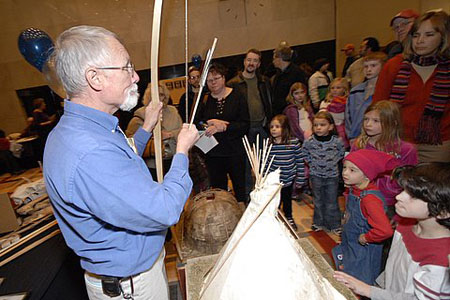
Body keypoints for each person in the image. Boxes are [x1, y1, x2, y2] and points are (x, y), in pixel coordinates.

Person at [43, 25, 199, 300]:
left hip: (133, 277)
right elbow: (164, 209)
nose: (136, 76)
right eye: (126, 68)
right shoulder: (90, 150)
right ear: (95, 78)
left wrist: (146, 128)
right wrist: (182, 151)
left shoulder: (85, 129)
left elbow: (120, 167)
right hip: (132, 287)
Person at [334, 162, 450, 299]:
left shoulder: (441, 263)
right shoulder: (405, 225)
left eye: (413, 196)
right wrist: (380, 286)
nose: (399, 197)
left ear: (443, 211)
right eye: (403, 190)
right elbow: (394, 265)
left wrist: (368, 290)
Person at [373, 10, 450, 163]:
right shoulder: (394, 65)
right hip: (396, 142)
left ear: (443, 37)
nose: (420, 40)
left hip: (438, 146)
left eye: (429, 35)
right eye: (416, 35)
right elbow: (378, 107)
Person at [333, 149, 396, 285]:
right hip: (351, 244)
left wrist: (366, 237)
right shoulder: (354, 189)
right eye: (344, 167)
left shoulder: (369, 200)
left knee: (361, 281)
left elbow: (385, 230)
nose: (345, 173)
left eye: (352, 170)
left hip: (363, 251)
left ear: (367, 175)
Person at [351, 101, 418, 219]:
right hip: (360, 200)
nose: (368, 124)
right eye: (366, 119)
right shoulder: (359, 145)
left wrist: (399, 217)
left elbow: (410, 183)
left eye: (376, 121)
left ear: (393, 123)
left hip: (391, 205)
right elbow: (350, 175)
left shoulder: (406, 150)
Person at [195, 63, 249, 202]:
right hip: (213, 152)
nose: (213, 83)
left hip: (235, 151)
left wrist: (224, 126)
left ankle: (244, 216)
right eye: (209, 81)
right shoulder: (205, 99)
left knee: (240, 187)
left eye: (216, 78)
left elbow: (244, 125)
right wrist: (207, 126)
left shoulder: (238, 96)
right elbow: (197, 122)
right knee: (218, 191)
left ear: (224, 78)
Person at [227, 48, 272, 200]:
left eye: (255, 60)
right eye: (249, 60)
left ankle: (265, 196)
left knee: (265, 165)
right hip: (243, 131)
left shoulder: (264, 81)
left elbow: (269, 103)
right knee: (245, 167)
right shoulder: (233, 84)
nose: (251, 63)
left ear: (259, 64)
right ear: (244, 61)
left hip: (262, 128)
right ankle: (248, 198)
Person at [126, 82, 182, 178]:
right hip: (152, 164)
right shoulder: (140, 115)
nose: (159, 98)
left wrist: (170, 134)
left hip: (173, 159)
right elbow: (130, 141)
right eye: (155, 94)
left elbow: (181, 131)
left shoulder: (173, 111)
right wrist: (153, 136)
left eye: (162, 94)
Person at [302, 111, 345, 234]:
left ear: (331, 127)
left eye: (322, 125)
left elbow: (341, 153)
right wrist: (312, 163)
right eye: (316, 125)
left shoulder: (336, 141)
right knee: (318, 200)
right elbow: (304, 153)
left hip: (332, 176)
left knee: (331, 201)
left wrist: (332, 161)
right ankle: (318, 222)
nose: (319, 127)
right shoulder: (310, 141)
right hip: (315, 176)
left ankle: (335, 224)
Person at [266, 114, 306, 230]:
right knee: (274, 202)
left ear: (285, 128)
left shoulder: (293, 143)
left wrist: (300, 178)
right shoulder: (269, 143)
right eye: (272, 127)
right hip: (274, 181)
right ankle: (274, 219)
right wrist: (264, 176)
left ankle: (289, 217)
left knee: (287, 200)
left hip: (288, 179)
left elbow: (300, 162)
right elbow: (267, 161)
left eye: (277, 126)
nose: (273, 129)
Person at [345, 52, 388, 141]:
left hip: (380, 138)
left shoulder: (386, 91)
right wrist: (351, 136)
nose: (369, 69)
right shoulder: (355, 91)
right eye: (366, 66)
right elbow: (348, 116)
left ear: (383, 67)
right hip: (356, 137)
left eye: (373, 66)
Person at [271, 43, 307, 115]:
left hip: (292, 112)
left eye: (274, 58)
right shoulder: (278, 74)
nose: (273, 61)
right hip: (279, 112)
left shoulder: (297, 73)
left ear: (279, 59)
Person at [321, 78, 350, 148]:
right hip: (328, 131)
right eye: (332, 88)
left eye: (338, 88)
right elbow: (322, 116)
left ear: (344, 89)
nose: (335, 90)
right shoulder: (326, 102)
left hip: (343, 131)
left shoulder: (348, 102)